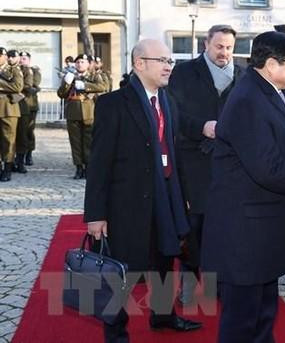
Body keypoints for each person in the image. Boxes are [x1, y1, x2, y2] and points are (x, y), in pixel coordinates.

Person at [201, 31, 285, 343]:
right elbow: (267, 168)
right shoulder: (249, 100)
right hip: (245, 236)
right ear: (272, 64)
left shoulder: (269, 90)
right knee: (242, 322)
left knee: (263, 316)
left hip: (261, 232)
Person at [84, 39, 201, 342]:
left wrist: (182, 196)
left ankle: (163, 316)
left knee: (165, 258)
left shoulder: (168, 101)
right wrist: (95, 215)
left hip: (166, 198)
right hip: (126, 204)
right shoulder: (113, 104)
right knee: (118, 272)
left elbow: (173, 151)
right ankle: (116, 332)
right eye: (162, 60)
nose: (168, 66)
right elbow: (98, 163)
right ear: (140, 64)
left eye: (170, 60)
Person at [167, 24, 242, 305]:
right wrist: (202, 127)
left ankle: (219, 284)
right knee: (193, 226)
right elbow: (174, 113)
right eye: (219, 46)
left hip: (229, 164)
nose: (224, 53)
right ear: (206, 45)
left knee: (224, 227)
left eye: (229, 47)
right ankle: (189, 284)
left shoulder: (243, 76)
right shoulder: (184, 73)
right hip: (194, 161)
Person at [57, 54, 105, 179]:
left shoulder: (94, 76)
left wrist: (84, 86)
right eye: (78, 62)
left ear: (88, 64)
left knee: (88, 142)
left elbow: (102, 86)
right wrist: (66, 83)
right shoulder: (70, 76)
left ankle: (88, 167)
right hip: (73, 112)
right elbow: (61, 94)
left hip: (88, 111)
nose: (79, 64)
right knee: (75, 142)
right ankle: (79, 168)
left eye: (82, 62)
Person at [0, 47, 23, 182]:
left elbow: (17, 87)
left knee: (8, 139)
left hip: (8, 108)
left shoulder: (13, 70)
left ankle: (7, 168)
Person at [7, 50, 32, 174]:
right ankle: (9, 162)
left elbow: (27, 86)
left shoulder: (25, 70)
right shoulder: (6, 69)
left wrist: (12, 90)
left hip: (21, 105)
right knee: (8, 136)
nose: (11, 59)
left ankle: (21, 161)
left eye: (14, 57)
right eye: (9, 56)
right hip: (8, 106)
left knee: (22, 135)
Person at [18, 51, 41, 167]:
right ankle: (19, 155)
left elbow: (34, 85)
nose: (22, 60)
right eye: (21, 58)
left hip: (30, 105)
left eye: (24, 59)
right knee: (19, 131)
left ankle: (29, 153)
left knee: (28, 131)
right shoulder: (16, 70)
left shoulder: (34, 71)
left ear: (29, 60)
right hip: (17, 105)